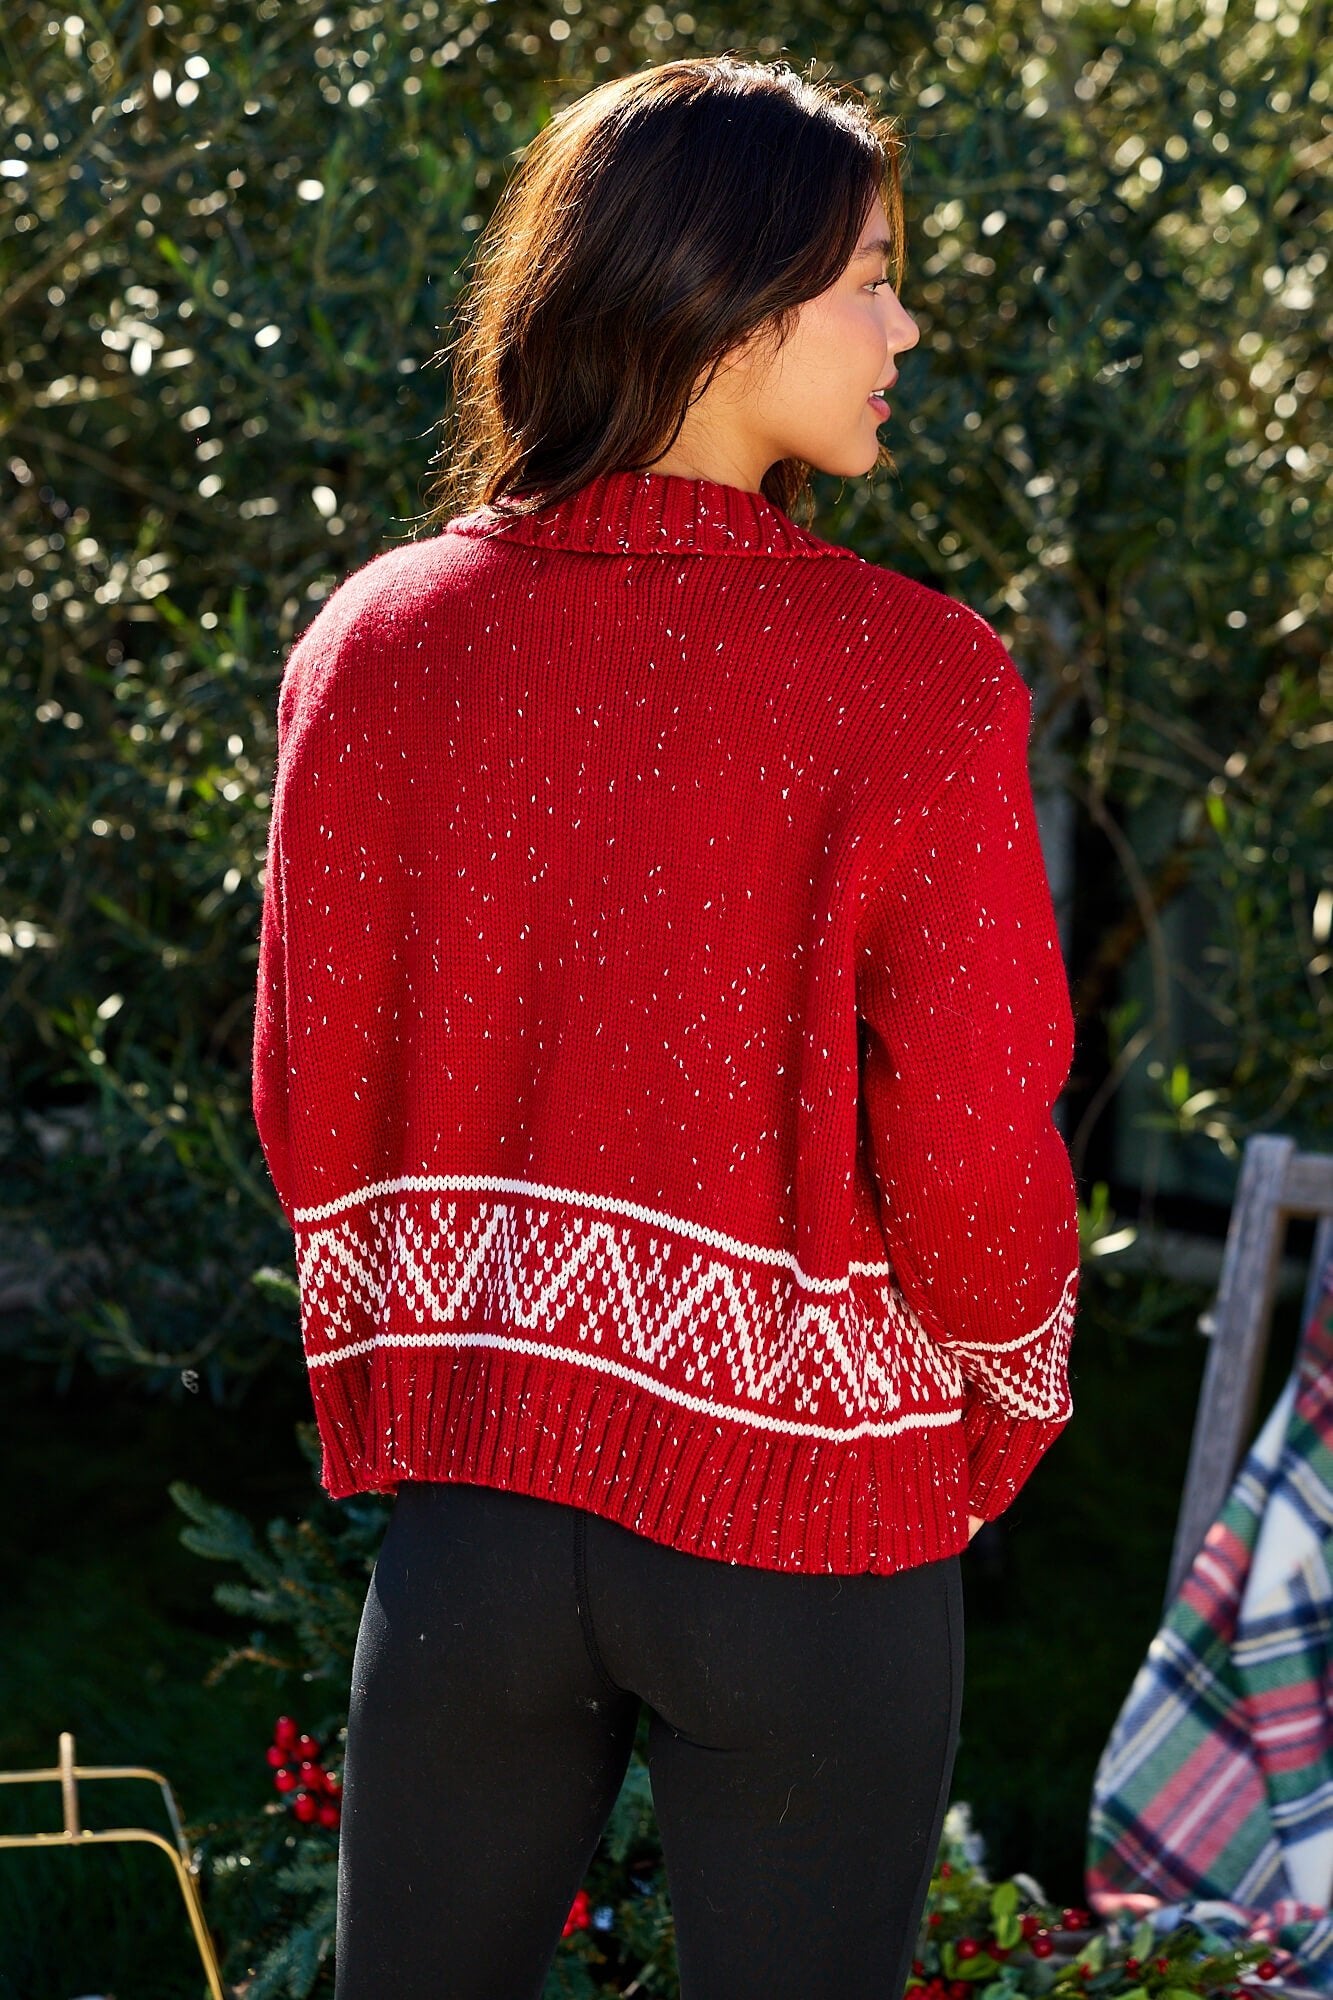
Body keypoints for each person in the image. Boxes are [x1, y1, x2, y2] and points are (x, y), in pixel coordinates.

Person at [250, 50, 1082, 2000]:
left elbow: (307, 1091)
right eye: (867, 279)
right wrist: (1005, 1392)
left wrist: (458, 1348)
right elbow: (971, 1143)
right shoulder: (914, 677)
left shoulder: (374, 638)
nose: (902, 327)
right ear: (721, 303)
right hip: (810, 1526)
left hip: (472, 1518)